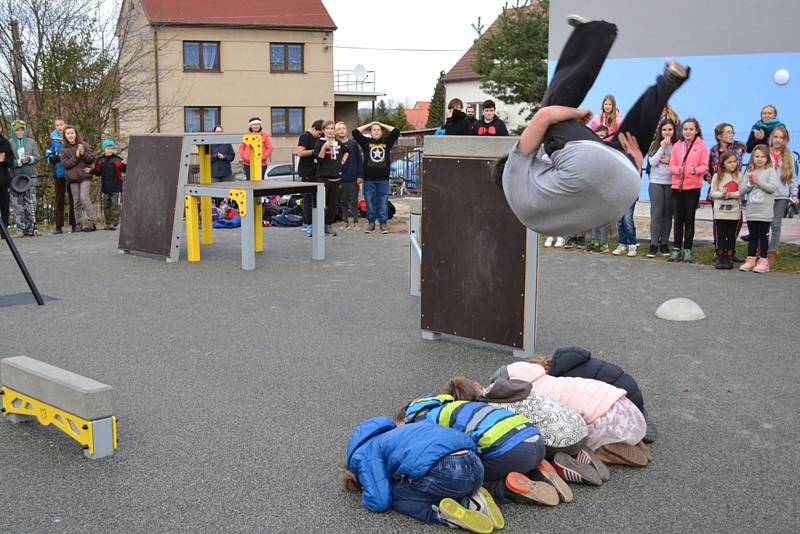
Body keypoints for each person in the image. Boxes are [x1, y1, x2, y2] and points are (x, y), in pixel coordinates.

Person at [496, 16, 690, 239]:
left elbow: (604, 182)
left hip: (624, 189)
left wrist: (634, 160)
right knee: (550, 112)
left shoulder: (531, 216)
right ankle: (592, 35)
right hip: (588, 168)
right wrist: (576, 114)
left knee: (628, 142)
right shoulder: (513, 172)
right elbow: (543, 117)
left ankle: (669, 82)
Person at [444, 376, 598, 497]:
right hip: (578, 426)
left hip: (554, 442)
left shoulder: (485, 410)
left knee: (517, 444)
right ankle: (576, 453)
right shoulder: (505, 386)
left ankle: (551, 466)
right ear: (477, 385)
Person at [344, 415, 499, 533]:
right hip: (476, 466)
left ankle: (441, 514)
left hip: (448, 472)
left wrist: (366, 494)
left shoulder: (363, 454)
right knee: (424, 476)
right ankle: (473, 498)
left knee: (393, 493)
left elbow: (379, 501)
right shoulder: (407, 429)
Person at [402, 393, 559, 507]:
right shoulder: (459, 405)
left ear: (410, 419)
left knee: (464, 478)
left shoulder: (428, 422)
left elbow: (437, 455)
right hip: (536, 441)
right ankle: (536, 471)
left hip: (512, 452)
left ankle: (507, 490)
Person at [492, 360, 650, 468]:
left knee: (576, 437)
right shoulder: (552, 380)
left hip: (605, 419)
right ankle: (633, 440)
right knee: (591, 408)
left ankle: (610, 449)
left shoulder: (533, 396)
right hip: (624, 405)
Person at [667, 118, 708, 263]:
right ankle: (676, 249)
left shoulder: (701, 146)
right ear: (681, 131)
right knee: (678, 220)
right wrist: (679, 170)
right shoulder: (677, 145)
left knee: (689, 220)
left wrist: (695, 170)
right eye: (685, 129)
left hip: (693, 188)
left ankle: (688, 250)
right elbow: (671, 165)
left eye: (691, 129)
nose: (688, 132)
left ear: (696, 131)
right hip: (677, 187)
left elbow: (705, 165)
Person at [352, 121, 400, 234]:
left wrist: (381, 124)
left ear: (382, 132)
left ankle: (383, 223)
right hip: (369, 179)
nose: (376, 131)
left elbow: (396, 132)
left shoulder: (386, 142)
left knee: (383, 201)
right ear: (370, 132)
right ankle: (371, 223)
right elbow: (355, 132)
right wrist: (370, 124)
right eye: (374, 129)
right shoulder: (366, 142)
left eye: (378, 130)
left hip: (383, 179)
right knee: (369, 202)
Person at [708, 123, 746, 251]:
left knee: (737, 220)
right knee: (718, 222)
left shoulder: (736, 150)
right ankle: (718, 248)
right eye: (728, 132)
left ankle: (730, 248)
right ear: (719, 136)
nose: (731, 135)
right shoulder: (713, 150)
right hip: (718, 189)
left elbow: (738, 168)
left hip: (733, 189)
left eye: (732, 132)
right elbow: (709, 169)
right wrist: (709, 177)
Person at [739, 145, 778, 273]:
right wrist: (750, 183)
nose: (759, 159)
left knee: (763, 236)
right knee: (753, 236)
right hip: (752, 211)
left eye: (762, 157)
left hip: (764, 212)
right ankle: (750, 259)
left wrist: (758, 182)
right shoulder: (749, 171)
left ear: (767, 158)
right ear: (752, 157)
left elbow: (772, 188)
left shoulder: (770, 171)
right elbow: (742, 190)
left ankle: (763, 261)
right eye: (757, 156)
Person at [646, 118, 677, 257]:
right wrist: (662, 148)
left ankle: (664, 243)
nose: (667, 132)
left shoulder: (677, 145)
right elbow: (652, 161)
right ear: (660, 131)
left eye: (670, 129)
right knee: (656, 213)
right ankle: (653, 244)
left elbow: (679, 163)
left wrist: (669, 161)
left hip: (671, 183)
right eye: (664, 129)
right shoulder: (655, 144)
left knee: (667, 214)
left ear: (674, 131)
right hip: (656, 182)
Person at [767, 126, 798, 268]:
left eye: (781, 138)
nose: (778, 140)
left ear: (785, 140)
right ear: (771, 138)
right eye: (776, 137)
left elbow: (792, 177)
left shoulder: (788, 156)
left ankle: (772, 251)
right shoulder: (765, 153)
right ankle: (760, 251)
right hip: (765, 194)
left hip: (781, 195)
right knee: (763, 225)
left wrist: (794, 193)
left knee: (776, 224)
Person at [314, 120, 349, 235]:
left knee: (332, 204)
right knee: (321, 203)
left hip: (335, 177)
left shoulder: (338, 142)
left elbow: (346, 151)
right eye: (327, 128)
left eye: (332, 128)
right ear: (323, 130)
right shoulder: (319, 142)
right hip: (323, 178)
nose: (330, 131)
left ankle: (328, 225)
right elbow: (319, 159)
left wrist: (342, 161)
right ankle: (318, 226)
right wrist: (324, 146)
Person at [709, 150, 743, 269]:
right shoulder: (717, 176)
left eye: (734, 161)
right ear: (723, 163)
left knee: (731, 234)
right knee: (721, 234)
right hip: (720, 212)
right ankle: (720, 255)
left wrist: (732, 194)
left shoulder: (739, 175)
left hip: (734, 212)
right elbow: (712, 193)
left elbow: (741, 192)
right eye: (729, 162)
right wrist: (722, 194)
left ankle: (729, 255)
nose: (732, 164)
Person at [60, 125, 96, 232]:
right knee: (76, 201)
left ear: (76, 134)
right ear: (65, 136)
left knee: (84, 197)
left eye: (72, 133)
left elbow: (91, 159)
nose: (70, 135)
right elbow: (65, 164)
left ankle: (91, 222)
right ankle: (78, 223)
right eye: (68, 134)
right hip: (73, 178)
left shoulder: (84, 145)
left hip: (85, 176)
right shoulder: (64, 150)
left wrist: (83, 153)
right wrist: (76, 156)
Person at [9, 120, 41, 237]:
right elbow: (7, 161)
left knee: (31, 203)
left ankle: (30, 228)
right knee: (18, 205)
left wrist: (30, 158)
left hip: (30, 177)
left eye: (21, 129)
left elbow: (37, 157)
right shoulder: (10, 143)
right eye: (17, 130)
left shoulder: (32, 142)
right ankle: (20, 229)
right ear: (13, 131)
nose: (20, 132)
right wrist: (18, 162)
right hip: (15, 178)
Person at [45, 117, 76, 233]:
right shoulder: (53, 140)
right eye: (57, 125)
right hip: (59, 172)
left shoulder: (71, 136)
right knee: (59, 199)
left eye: (61, 125)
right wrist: (56, 157)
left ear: (65, 124)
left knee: (73, 199)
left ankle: (75, 224)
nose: (59, 127)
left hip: (72, 172)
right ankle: (58, 226)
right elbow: (48, 157)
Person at [295, 119, 324, 234]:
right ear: (314, 129)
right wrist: (315, 151)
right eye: (319, 133)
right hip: (306, 172)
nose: (319, 135)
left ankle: (316, 222)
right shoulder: (305, 137)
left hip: (316, 172)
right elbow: (300, 152)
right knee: (307, 199)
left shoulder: (318, 137)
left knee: (316, 199)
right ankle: (308, 223)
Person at [92, 139, 126, 230]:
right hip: (106, 187)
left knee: (115, 205)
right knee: (106, 205)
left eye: (111, 148)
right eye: (108, 148)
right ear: (104, 149)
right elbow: (98, 172)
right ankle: (108, 222)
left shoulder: (118, 160)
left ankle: (114, 223)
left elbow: (124, 169)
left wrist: (125, 164)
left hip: (116, 186)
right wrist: (91, 171)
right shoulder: (100, 160)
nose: (110, 150)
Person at [335, 121, 363, 231]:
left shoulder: (353, 144)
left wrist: (360, 175)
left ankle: (355, 222)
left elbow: (359, 160)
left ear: (346, 130)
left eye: (343, 128)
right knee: (343, 201)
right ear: (336, 132)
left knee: (354, 201)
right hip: (341, 178)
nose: (341, 130)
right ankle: (345, 222)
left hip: (353, 177)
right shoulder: (334, 144)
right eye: (339, 129)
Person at [0, 121, 14, 231]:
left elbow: (11, 161)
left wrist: (3, 160)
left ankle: (4, 233)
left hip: (4, 180)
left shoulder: (5, 142)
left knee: (5, 207)